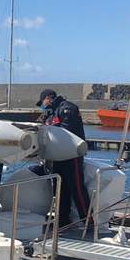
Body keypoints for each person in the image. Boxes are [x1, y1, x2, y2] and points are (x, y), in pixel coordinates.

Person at [37, 88, 90, 228]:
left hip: (71, 155)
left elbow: (66, 131)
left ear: (48, 98)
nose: (43, 105)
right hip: (57, 157)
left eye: (43, 102)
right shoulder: (51, 112)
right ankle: (62, 220)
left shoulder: (67, 109)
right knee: (60, 190)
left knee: (77, 189)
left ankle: (89, 222)